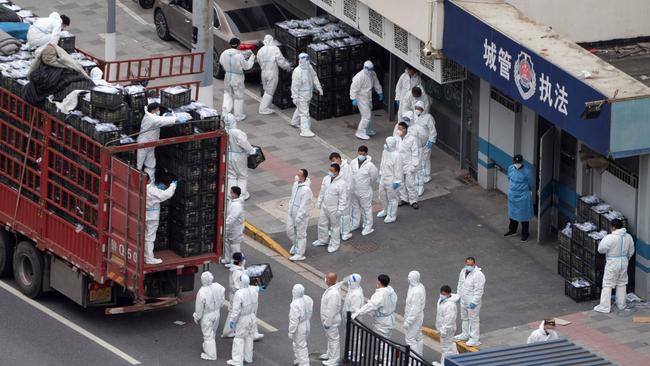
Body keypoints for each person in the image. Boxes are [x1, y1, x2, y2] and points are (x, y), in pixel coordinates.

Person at [352, 274, 398, 363]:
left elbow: (371, 305)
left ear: (380, 282)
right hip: (390, 319)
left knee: (384, 342)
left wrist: (358, 312)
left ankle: (386, 362)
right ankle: (382, 357)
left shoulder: (380, 294)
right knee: (386, 340)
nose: (376, 282)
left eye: (378, 281)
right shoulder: (391, 291)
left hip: (383, 322)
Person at [137, 102, 187, 181]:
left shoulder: (153, 116)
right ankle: (137, 184)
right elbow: (161, 121)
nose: (159, 111)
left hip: (150, 144)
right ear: (153, 110)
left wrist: (168, 116)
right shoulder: (150, 118)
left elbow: (162, 120)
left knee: (151, 165)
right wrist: (176, 119)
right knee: (138, 165)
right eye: (158, 109)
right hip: (143, 144)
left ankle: (150, 185)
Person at [593, 218, 635, 313]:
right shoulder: (628, 237)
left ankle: (604, 307)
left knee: (607, 284)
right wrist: (625, 258)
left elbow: (601, 249)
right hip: (624, 261)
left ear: (613, 227)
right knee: (622, 283)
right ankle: (621, 305)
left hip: (612, 262)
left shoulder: (609, 237)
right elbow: (631, 250)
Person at [226, 274, 264, 366]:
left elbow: (236, 310)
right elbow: (259, 288)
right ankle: (248, 358)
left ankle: (237, 361)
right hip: (252, 317)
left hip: (243, 319)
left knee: (239, 339)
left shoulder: (239, 293)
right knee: (249, 337)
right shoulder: (253, 289)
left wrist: (232, 321)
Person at [312, 163, 348, 253]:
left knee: (335, 227)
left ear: (337, 172)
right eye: (330, 170)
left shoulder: (342, 184)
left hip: (334, 209)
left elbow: (343, 198)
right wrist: (319, 201)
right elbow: (322, 191)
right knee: (321, 224)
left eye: (332, 171)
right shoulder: (326, 179)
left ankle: (335, 244)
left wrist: (340, 210)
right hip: (325, 206)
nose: (330, 172)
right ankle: (323, 240)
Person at [219, 38, 256, 121]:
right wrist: (252, 58)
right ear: (239, 45)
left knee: (227, 94)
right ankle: (238, 116)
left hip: (228, 76)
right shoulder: (239, 56)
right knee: (238, 96)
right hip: (237, 77)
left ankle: (225, 114)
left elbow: (221, 62)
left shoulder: (224, 53)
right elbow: (247, 67)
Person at [346, 146, 379, 236]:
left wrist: (366, 184)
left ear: (366, 154)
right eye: (360, 153)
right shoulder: (353, 162)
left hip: (365, 191)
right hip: (354, 191)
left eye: (363, 154)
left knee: (366, 209)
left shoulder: (370, 166)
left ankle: (368, 226)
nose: (361, 155)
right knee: (354, 208)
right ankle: (354, 224)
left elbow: (374, 177)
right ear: (357, 152)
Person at [257, 34, 292, 115]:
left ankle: (268, 105)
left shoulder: (260, 50)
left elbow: (259, 61)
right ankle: (263, 109)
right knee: (270, 91)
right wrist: (287, 66)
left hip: (264, 72)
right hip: (272, 72)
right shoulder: (275, 49)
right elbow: (280, 61)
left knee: (266, 89)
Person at [224, 113, 257, 200]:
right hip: (239, 156)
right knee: (242, 176)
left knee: (231, 176)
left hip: (228, 155)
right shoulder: (237, 132)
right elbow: (244, 144)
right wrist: (252, 151)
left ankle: (230, 194)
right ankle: (241, 195)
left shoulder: (223, 131)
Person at [193, 271, 226, 361]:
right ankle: (208, 347)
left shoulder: (202, 292)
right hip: (217, 313)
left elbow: (199, 308)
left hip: (207, 315)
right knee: (213, 332)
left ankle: (211, 355)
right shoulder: (218, 286)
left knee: (207, 335)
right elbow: (222, 299)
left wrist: (197, 317)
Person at [455, 257, 486, 347]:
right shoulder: (463, 271)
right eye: (468, 264)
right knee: (464, 318)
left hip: (472, 302)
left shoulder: (478, 275)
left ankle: (474, 339)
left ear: (475, 264)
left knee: (474, 320)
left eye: (471, 265)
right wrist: (458, 295)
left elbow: (479, 290)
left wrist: (474, 302)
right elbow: (460, 284)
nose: (469, 266)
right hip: (463, 300)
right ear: (465, 263)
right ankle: (465, 334)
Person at [144, 176, 176, 264]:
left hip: (144, 215)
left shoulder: (140, 188)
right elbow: (166, 195)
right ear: (148, 180)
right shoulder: (151, 190)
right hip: (152, 218)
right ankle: (149, 258)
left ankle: (143, 255)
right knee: (149, 237)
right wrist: (173, 185)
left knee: (142, 236)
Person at [291, 52, 323, 138]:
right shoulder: (298, 71)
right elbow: (294, 86)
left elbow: (314, 77)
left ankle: (294, 122)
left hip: (308, 94)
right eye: (306, 60)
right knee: (305, 113)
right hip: (301, 95)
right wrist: (295, 97)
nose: (308, 62)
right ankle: (305, 130)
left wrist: (319, 87)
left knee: (301, 109)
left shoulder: (309, 68)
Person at [503, 154, 534, 242]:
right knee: (512, 214)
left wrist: (523, 190)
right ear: (514, 162)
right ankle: (512, 230)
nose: (517, 164)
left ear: (522, 162)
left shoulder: (527, 171)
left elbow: (531, 183)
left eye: (519, 162)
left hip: (523, 196)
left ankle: (525, 233)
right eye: (516, 162)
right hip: (513, 194)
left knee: (524, 215)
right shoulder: (510, 168)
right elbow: (509, 178)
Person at [350, 60, 383, 140]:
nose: (371, 71)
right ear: (365, 68)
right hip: (361, 97)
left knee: (368, 114)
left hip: (368, 96)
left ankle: (368, 130)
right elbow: (353, 88)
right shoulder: (359, 77)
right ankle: (360, 132)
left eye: (372, 69)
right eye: (369, 69)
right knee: (366, 115)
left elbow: (376, 83)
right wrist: (353, 99)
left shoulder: (372, 74)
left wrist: (380, 92)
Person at [287, 169, 313, 261]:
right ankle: (296, 245)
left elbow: (304, 205)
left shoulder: (306, 190)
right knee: (289, 231)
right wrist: (290, 209)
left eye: (299, 175)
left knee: (301, 234)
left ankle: (300, 253)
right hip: (292, 213)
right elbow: (292, 197)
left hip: (300, 216)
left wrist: (299, 217)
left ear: (303, 177)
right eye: (296, 174)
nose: (296, 176)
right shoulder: (295, 184)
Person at [377, 136, 402, 223]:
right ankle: (385, 210)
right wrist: (381, 172)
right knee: (382, 195)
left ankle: (391, 215)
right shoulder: (385, 151)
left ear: (391, 144)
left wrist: (397, 181)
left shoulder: (397, 155)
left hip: (392, 180)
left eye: (387, 143)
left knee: (392, 199)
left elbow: (398, 169)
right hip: (383, 177)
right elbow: (382, 162)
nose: (385, 145)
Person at [320, 272, 343, 366]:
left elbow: (331, 310)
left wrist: (327, 322)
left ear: (329, 280)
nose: (325, 278)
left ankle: (334, 360)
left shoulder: (333, 294)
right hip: (329, 320)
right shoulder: (333, 290)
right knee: (330, 338)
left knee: (334, 340)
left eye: (326, 277)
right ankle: (329, 354)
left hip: (331, 321)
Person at [397, 121, 421, 210]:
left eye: (400, 128)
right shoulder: (397, 138)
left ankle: (413, 201)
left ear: (405, 129)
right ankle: (404, 199)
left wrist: (413, 165)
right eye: (398, 128)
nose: (398, 130)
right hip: (399, 165)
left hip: (409, 165)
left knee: (410, 183)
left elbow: (415, 153)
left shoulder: (411, 139)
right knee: (401, 183)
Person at [329, 152, 353, 241]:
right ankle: (337, 230)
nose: (333, 162)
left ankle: (346, 232)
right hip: (337, 194)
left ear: (339, 158)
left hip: (345, 194)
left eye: (334, 160)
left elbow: (349, 183)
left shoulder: (346, 167)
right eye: (332, 161)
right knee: (337, 213)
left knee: (345, 214)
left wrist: (344, 195)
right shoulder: (334, 167)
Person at [288, 284, 314, 366]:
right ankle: (299, 359)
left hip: (300, 326)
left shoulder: (295, 304)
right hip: (307, 323)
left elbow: (294, 320)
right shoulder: (308, 299)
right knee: (298, 343)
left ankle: (305, 364)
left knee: (301, 346)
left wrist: (291, 331)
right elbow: (310, 311)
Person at [414, 100, 437, 184]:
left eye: (419, 108)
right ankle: (420, 173)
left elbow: (432, 130)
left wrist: (431, 141)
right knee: (418, 159)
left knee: (425, 159)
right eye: (416, 108)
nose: (417, 109)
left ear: (423, 109)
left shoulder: (428, 117)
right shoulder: (414, 116)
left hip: (426, 142)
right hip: (417, 142)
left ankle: (427, 175)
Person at [404, 271, 426, 356]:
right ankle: (419, 357)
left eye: (410, 277)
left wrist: (408, 321)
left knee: (410, 339)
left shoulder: (417, 291)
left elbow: (415, 308)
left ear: (414, 278)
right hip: (417, 316)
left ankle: (413, 361)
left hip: (414, 318)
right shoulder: (417, 286)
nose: (408, 279)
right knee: (418, 337)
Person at [436, 285, 460, 363]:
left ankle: (444, 364)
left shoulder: (450, 305)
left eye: (444, 294)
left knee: (445, 348)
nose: (442, 295)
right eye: (442, 293)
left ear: (449, 294)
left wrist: (444, 329)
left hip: (447, 329)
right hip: (443, 328)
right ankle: (457, 359)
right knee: (450, 345)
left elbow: (449, 319)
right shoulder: (442, 300)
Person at [223, 187, 245, 266]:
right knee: (227, 242)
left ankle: (235, 262)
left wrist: (225, 225)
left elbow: (232, 218)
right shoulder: (232, 202)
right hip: (231, 228)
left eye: (231, 192)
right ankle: (227, 259)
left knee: (234, 245)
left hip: (235, 228)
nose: (230, 193)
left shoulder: (237, 205)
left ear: (235, 194)